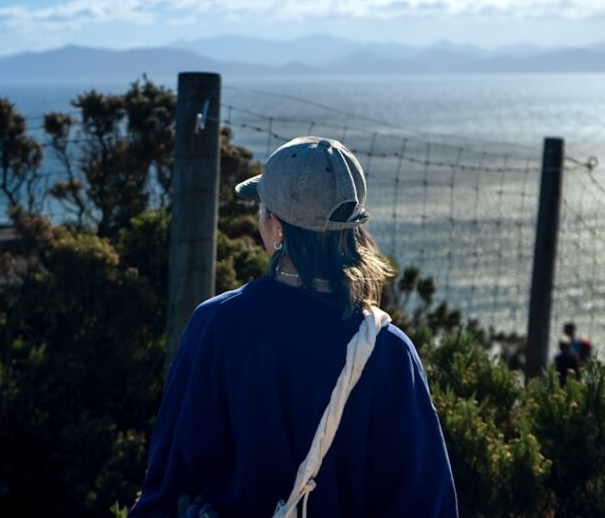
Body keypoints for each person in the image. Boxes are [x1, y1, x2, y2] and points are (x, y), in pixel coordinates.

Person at [129, 137, 458, 517]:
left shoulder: (216, 325)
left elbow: (169, 483)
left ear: (276, 227)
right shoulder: (387, 350)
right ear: (351, 229)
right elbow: (426, 504)